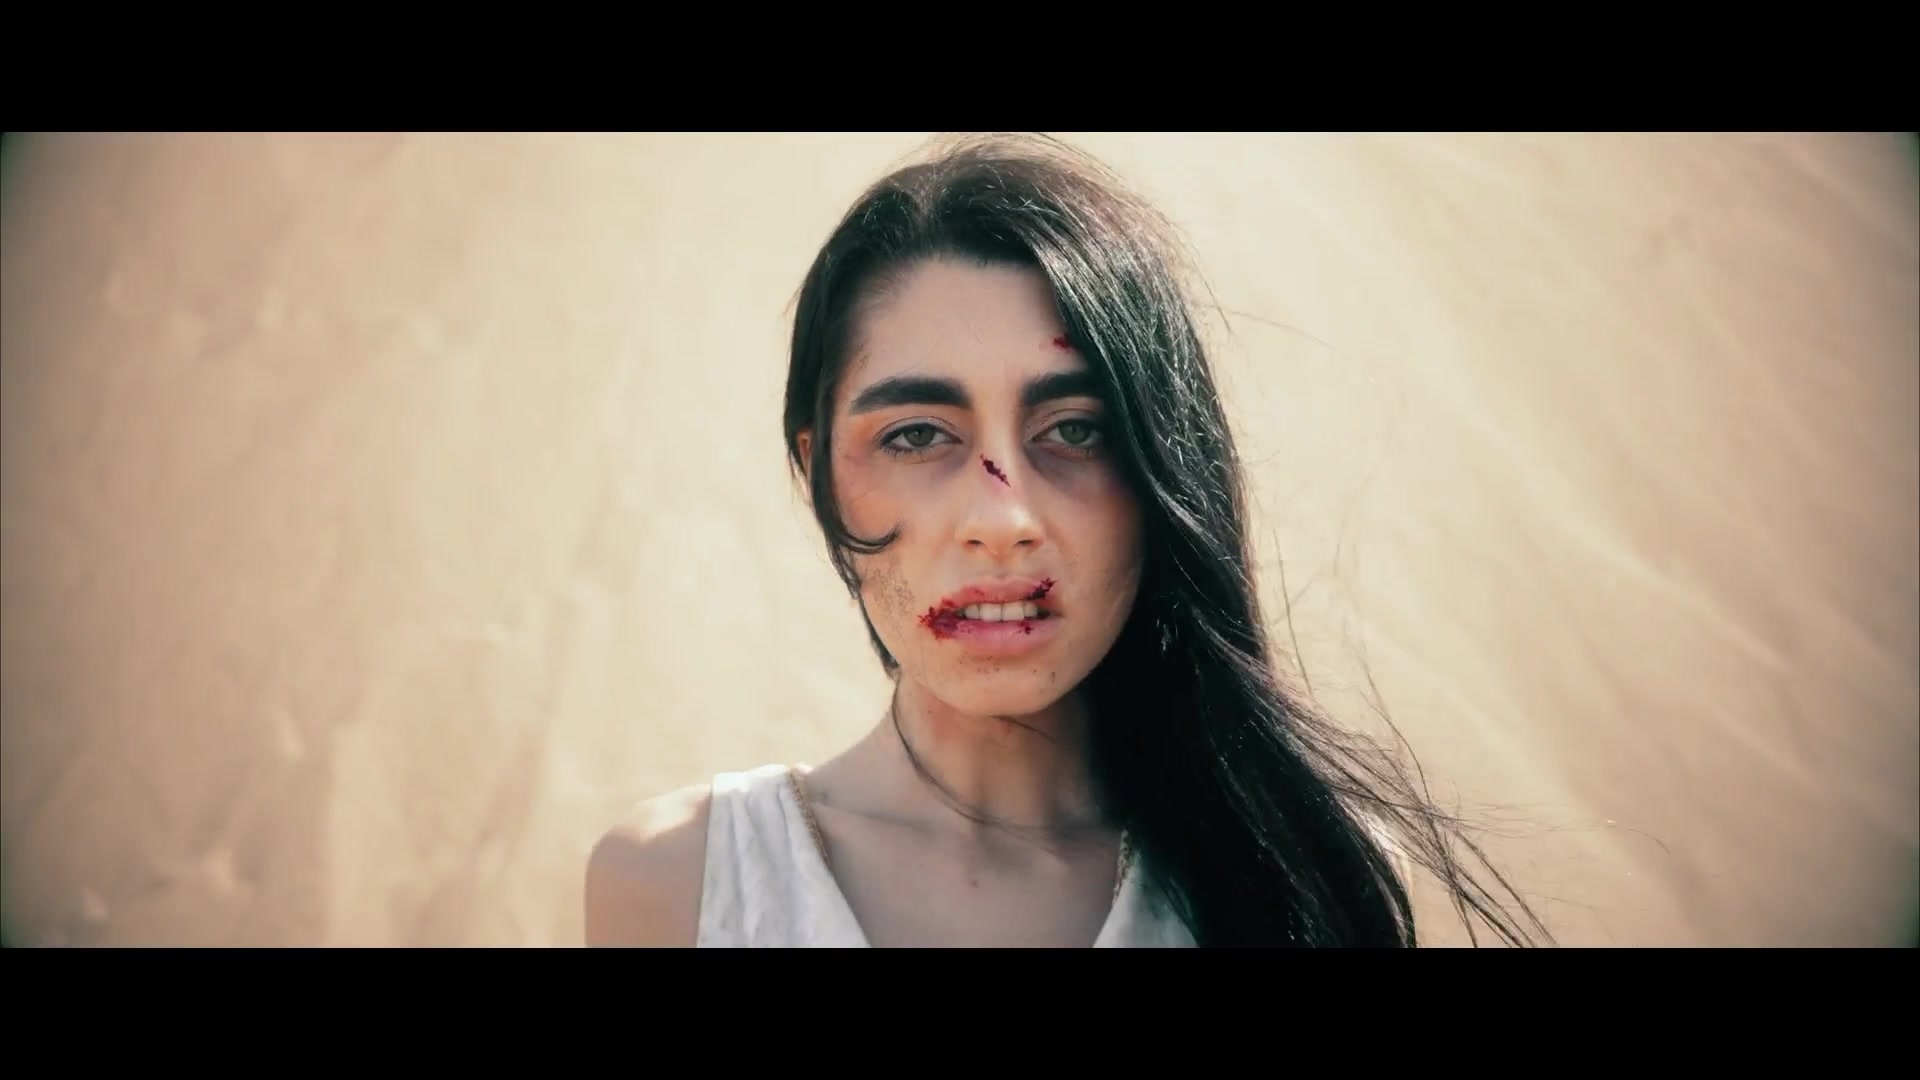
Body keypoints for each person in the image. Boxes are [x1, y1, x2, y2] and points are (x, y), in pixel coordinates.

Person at [585, 132, 1552, 947]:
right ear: (818, 474)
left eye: (1076, 431)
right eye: (916, 436)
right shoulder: (682, 884)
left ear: (1162, 470)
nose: (1002, 521)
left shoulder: (1307, 876)